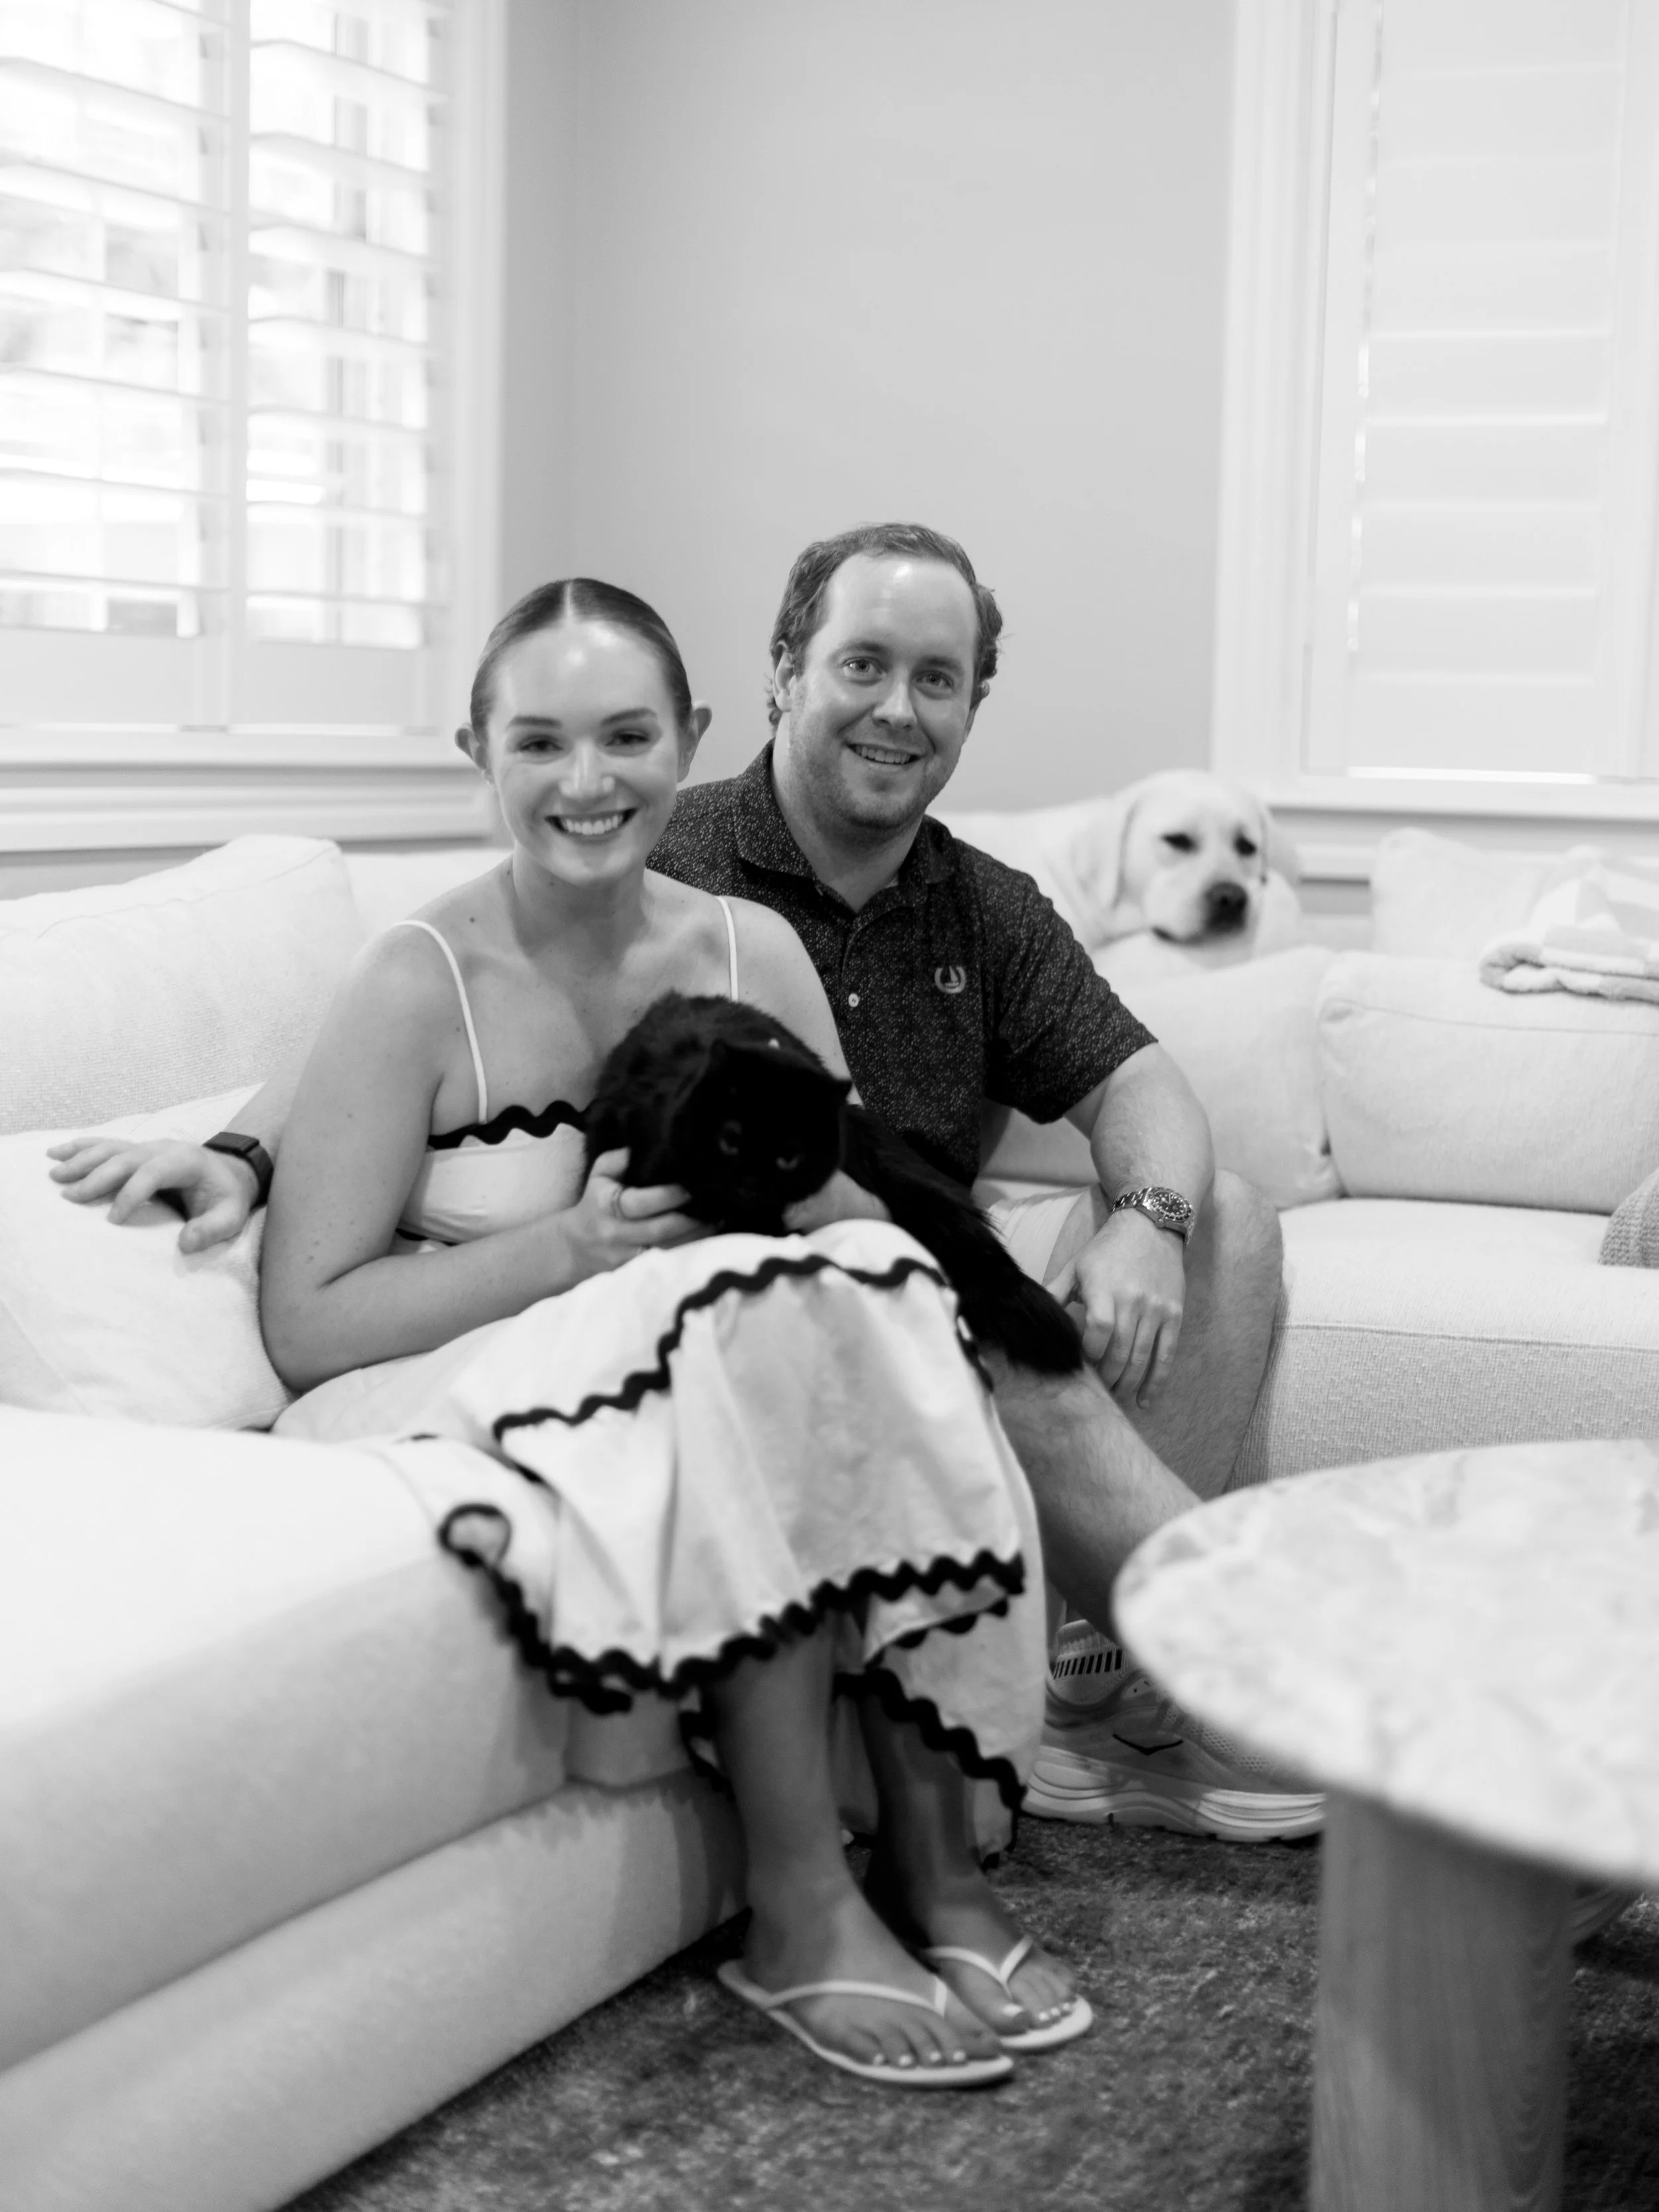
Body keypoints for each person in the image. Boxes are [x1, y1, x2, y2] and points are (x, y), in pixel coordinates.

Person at [52, 526, 1315, 1845]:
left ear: (972, 705)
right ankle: (1270, 1675)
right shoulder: (662, 850)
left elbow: (1143, 1089)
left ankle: (1106, 1691)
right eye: (862, 663)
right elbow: (414, 995)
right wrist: (248, 1148)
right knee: (988, 1332)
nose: (896, 708)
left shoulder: (976, 907)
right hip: (745, 1263)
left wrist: (1150, 1231)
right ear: (781, 673)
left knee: (1221, 1218)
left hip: (878, 1228)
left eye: (935, 678)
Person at [229, 576, 1090, 2086]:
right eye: (540, 741)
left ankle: (934, 1859)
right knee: (742, 1307)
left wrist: (856, 1246)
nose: (588, 781)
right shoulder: (414, 979)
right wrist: (570, 1246)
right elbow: (310, 1324)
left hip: (704, 1357)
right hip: (433, 1382)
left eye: (628, 735)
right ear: (477, 751)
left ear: (687, 736)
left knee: (875, 1283)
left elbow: (847, 1203)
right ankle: (799, 1902)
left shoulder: (753, 952)